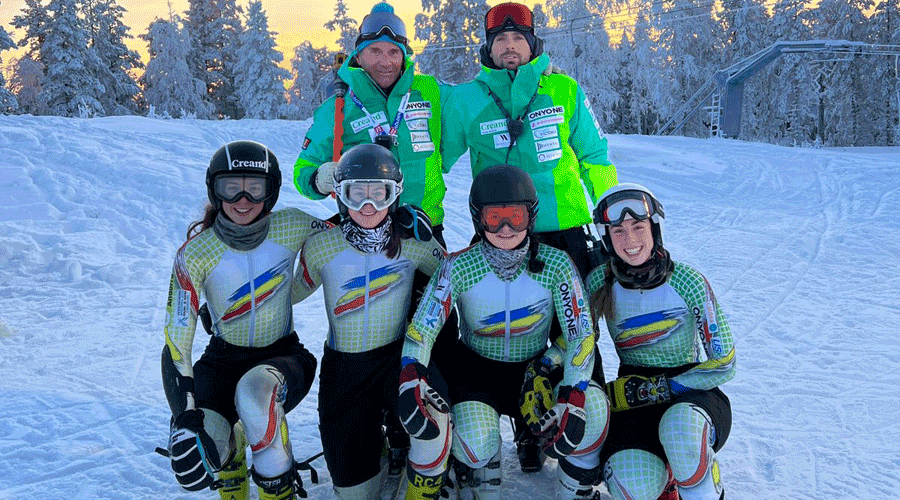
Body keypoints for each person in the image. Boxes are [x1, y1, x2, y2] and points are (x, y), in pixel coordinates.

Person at [399, 165, 610, 500]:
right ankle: (474, 465)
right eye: (495, 218)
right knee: (474, 446)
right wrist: (411, 377)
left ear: (532, 216)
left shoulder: (556, 264)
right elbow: (422, 330)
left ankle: (575, 487)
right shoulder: (460, 266)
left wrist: (574, 394)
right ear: (478, 220)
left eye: (517, 216)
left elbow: (581, 335)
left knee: (594, 409)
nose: (508, 229)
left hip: (534, 373)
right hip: (478, 374)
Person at [161, 141, 325, 500]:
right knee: (199, 451)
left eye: (255, 187)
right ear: (213, 189)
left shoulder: (293, 224)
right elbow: (177, 340)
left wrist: (400, 227)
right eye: (230, 187)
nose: (243, 199)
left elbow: (350, 237)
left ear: (272, 191)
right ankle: (230, 454)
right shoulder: (197, 252)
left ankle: (275, 484)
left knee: (253, 396)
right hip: (222, 360)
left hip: (283, 356)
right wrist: (185, 417)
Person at [292, 143, 448, 500]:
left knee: (433, 422)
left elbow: (456, 278)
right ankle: (373, 444)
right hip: (344, 370)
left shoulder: (414, 243)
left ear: (395, 195)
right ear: (340, 195)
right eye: (355, 193)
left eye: (379, 194)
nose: (367, 206)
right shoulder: (321, 247)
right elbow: (287, 295)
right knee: (354, 493)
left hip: (397, 359)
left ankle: (421, 481)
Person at [441, 1, 618, 277]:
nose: (509, 45)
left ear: (533, 42)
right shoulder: (464, 100)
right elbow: (436, 158)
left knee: (575, 318)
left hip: (566, 234)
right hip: (500, 233)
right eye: (500, 38)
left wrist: (613, 210)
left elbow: (594, 156)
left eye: (517, 38)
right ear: (488, 46)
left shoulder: (564, 88)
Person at [586, 183, 736, 500]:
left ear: (655, 228)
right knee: (631, 485)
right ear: (607, 239)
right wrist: (546, 366)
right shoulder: (599, 282)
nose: (630, 240)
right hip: (633, 398)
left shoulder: (687, 281)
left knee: (680, 432)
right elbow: (578, 341)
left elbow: (725, 362)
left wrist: (663, 388)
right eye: (618, 231)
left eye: (638, 226)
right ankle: (667, 478)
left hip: (693, 394)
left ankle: (700, 479)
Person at [293, 1, 450, 246]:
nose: (386, 62)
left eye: (394, 52)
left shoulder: (430, 91)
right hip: (364, 228)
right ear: (359, 54)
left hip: (423, 229)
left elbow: (468, 119)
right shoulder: (338, 107)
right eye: (375, 51)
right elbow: (303, 170)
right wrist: (318, 178)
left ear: (404, 55)